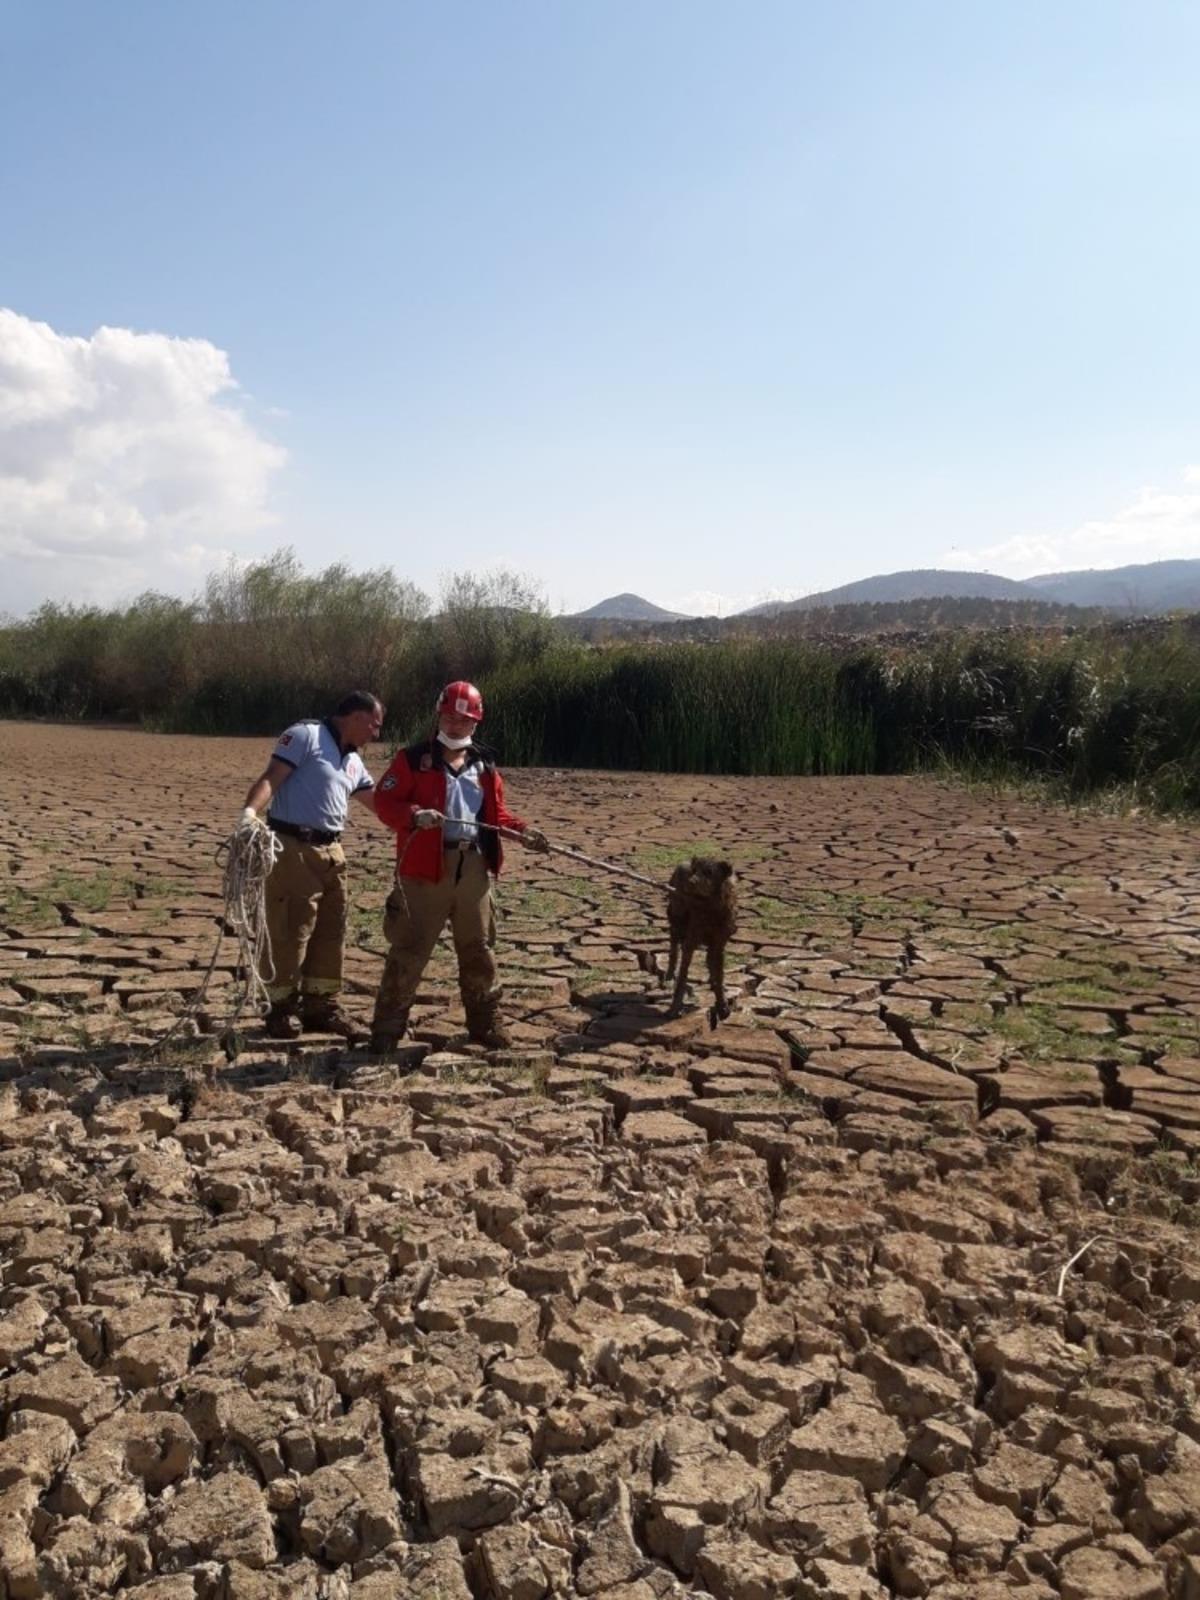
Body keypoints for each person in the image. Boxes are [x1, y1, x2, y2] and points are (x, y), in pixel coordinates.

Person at [370, 679, 549, 1052]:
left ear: (476, 723)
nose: (455, 726)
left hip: (473, 867)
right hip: (424, 868)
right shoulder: (411, 758)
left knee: (478, 948)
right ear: (439, 717)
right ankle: (387, 1030)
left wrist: (524, 832)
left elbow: (496, 815)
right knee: (410, 948)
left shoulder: (484, 765)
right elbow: (386, 803)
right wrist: (415, 815)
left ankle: (485, 1022)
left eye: (464, 720)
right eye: (449, 718)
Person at [240, 690, 384, 1041]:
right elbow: (272, 777)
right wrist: (249, 814)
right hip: (294, 849)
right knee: (290, 930)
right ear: (356, 717)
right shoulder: (306, 736)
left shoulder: (353, 761)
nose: (376, 734)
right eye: (374, 725)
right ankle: (281, 1009)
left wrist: (417, 819)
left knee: (330, 933)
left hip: (333, 853)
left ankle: (322, 1006)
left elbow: (378, 804)